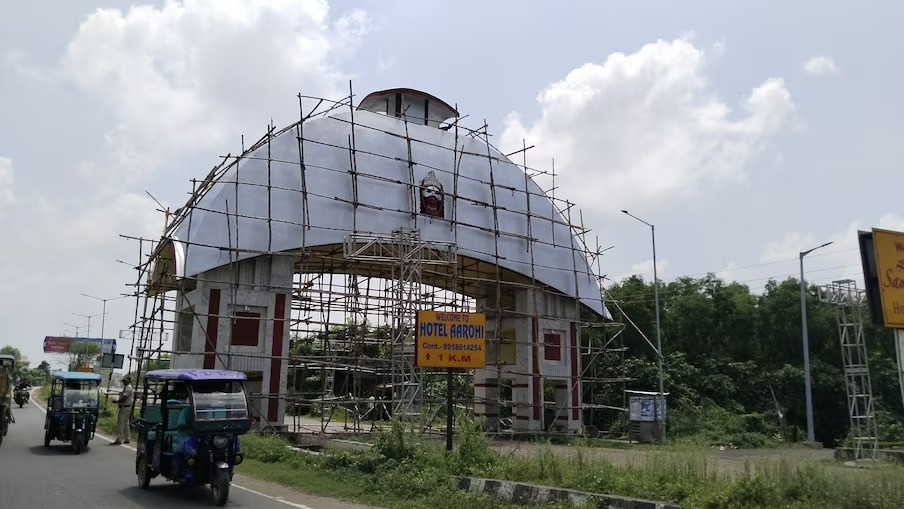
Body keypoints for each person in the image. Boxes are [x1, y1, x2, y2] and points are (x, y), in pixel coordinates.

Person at [112, 377, 134, 445]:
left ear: (129, 381)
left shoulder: (128, 388)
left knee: (121, 423)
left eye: (125, 381)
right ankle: (127, 438)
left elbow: (124, 397)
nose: (124, 382)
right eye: (123, 381)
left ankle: (119, 439)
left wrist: (117, 401)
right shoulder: (129, 387)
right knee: (126, 423)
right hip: (127, 407)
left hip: (124, 407)